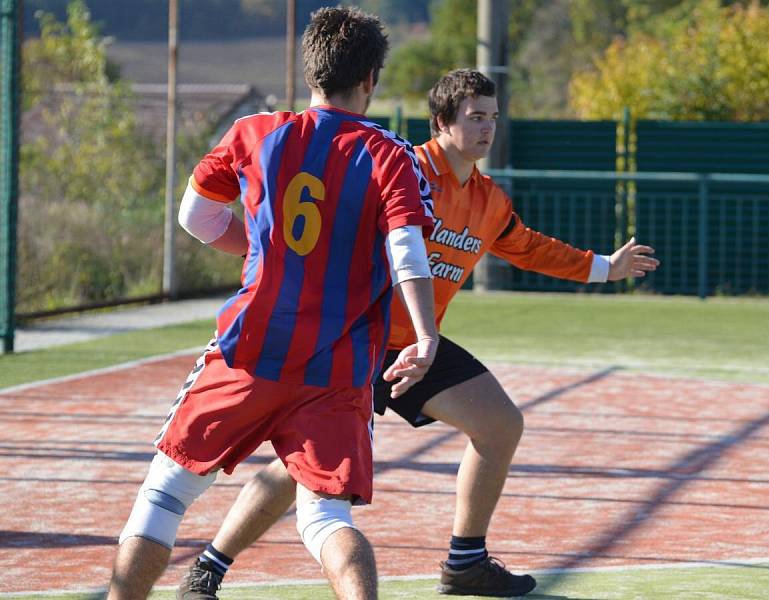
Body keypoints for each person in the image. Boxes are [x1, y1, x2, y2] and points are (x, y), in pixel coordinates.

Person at [175, 69, 660, 599]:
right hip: (352, 339)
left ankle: (466, 562)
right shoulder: (401, 167)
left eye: (493, 118)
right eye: (475, 117)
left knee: (499, 425)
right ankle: (208, 569)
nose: (487, 129)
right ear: (441, 122)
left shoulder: (488, 199)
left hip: (413, 349)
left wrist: (601, 268)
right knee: (302, 469)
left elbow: (527, 247)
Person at [106, 7, 439, 600]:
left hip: (249, 350)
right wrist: (425, 334)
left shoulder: (256, 132)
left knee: (165, 493)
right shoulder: (391, 155)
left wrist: (259, 246)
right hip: (336, 368)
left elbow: (195, 216)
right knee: (327, 521)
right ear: (370, 79)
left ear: (309, 69)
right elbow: (407, 249)